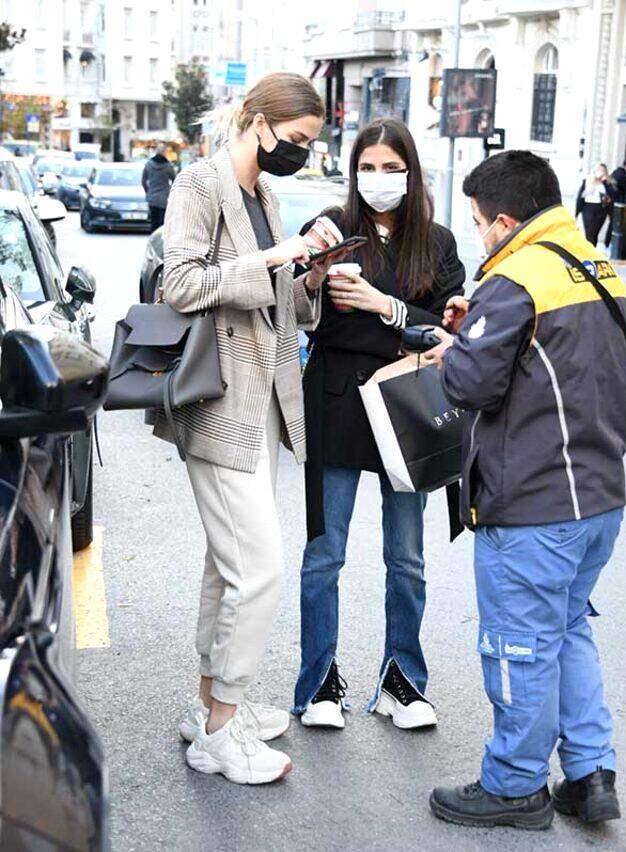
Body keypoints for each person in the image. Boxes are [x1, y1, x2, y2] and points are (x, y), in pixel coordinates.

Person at [425, 150, 626, 829]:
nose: (482, 234)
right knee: (567, 630)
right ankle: (589, 774)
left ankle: (514, 784)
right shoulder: (589, 262)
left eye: (482, 223)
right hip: (598, 495)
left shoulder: (515, 278)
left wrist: (458, 346)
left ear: (507, 219)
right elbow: (551, 359)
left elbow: (472, 384)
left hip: (536, 502)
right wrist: (477, 327)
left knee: (519, 643)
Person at [158, 72, 337, 785]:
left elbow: (272, 306)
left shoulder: (264, 193)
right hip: (219, 400)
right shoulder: (199, 186)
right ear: (257, 121)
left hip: (261, 400)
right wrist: (271, 255)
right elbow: (182, 286)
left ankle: (207, 707)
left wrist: (313, 273)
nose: (299, 152)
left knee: (226, 565)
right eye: (295, 140)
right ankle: (222, 733)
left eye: (308, 144)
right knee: (257, 571)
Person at [292, 118, 466, 730]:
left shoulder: (437, 242)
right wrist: (314, 279)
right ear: (353, 170)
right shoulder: (332, 228)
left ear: (412, 172)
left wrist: (382, 307)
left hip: (407, 404)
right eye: (368, 167)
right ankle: (318, 684)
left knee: (407, 558)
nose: (379, 179)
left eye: (392, 168)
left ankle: (403, 680)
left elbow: (448, 330)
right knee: (324, 554)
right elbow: (300, 312)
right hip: (337, 400)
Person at [576, 163, 614, 246]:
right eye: (598, 169)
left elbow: (611, 196)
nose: (600, 172)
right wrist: (593, 183)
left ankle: (592, 252)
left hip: (601, 209)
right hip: (588, 207)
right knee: (589, 232)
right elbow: (582, 195)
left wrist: (604, 182)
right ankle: (588, 253)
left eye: (602, 170)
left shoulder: (607, 183)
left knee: (595, 233)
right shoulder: (588, 181)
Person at [142, 143, 176, 231]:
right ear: (165, 152)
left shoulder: (148, 164)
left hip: (152, 198)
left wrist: (148, 192)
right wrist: (171, 193)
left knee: (154, 222)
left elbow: (143, 181)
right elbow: (175, 181)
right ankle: (160, 241)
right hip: (164, 198)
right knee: (162, 223)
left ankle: (153, 239)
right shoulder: (168, 166)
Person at [604, 159, 626, 248]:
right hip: (617, 204)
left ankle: (607, 245)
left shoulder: (616, 173)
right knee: (614, 225)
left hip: (612, 204)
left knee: (612, 225)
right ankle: (608, 245)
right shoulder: (622, 175)